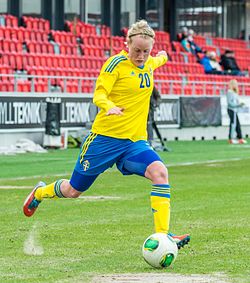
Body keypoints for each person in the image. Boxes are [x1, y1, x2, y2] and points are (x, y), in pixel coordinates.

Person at [23, 19, 190, 250]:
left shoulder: (150, 62)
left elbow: (159, 59)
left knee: (160, 172)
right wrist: (108, 105)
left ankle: (163, 236)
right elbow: (99, 93)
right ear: (126, 45)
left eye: (145, 51)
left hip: (134, 143)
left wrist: (163, 54)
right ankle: (40, 193)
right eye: (136, 51)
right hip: (104, 140)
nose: (141, 56)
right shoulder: (115, 64)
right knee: (73, 191)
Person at [226, 79, 247, 144]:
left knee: (237, 124)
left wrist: (239, 104)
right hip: (231, 110)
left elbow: (235, 102)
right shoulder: (229, 92)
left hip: (234, 110)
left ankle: (240, 137)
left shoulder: (234, 93)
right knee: (233, 124)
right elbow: (230, 103)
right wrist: (238, 105)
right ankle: (231, 138)